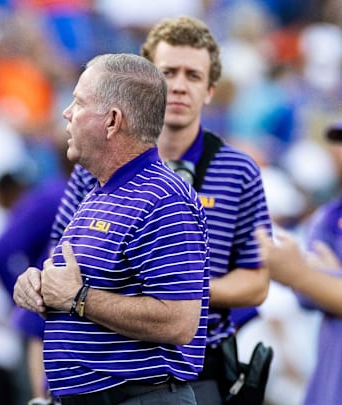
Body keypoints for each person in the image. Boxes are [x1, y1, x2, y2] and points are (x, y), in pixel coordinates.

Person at [46, 16, 272, 404]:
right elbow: (60, 267)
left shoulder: (238, 170)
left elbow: (257, 282)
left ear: (211, 90)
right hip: (100, 370)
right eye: (168, 73)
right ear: (147, 82)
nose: (180, 86)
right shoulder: (97, 168)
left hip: (193, 367)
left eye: (193, 76)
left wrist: (173, 291)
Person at [13, 53, 210, 404]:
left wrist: (78, 299)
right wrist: (41, 289)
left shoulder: (164, 198)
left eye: (78, 102)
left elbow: (180, 321)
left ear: (112, 121)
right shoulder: (99, 192)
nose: (66, 113)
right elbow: (83, 288)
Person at [255, 120, 342, 404]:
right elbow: (310, 297)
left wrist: (298, 274)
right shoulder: (331, 215)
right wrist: (321, 279)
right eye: (338, 141)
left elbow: (306, 279)